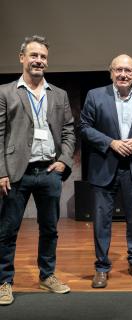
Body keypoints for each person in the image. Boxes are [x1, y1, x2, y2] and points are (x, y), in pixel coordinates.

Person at [0, 35, 75, 305]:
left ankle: (47, 276)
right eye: (33, 55)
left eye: (43, 57)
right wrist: (1, 171)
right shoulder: (5, 92)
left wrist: (64, 161)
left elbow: (68, 130)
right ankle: (4, 282)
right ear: (22, 58)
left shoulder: (59, 94)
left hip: (49, 173)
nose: (38, 61)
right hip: (16, 173)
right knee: (7, 230)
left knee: (50, 229)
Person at [79, 54, 132, 288]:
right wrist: (111, 143)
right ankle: (101, 267)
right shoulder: (95, 95)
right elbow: (84, 127)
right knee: (102, 220)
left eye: (128, 71)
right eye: (118, 70)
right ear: (110, 72)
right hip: (104, 165)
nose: (123, 74)